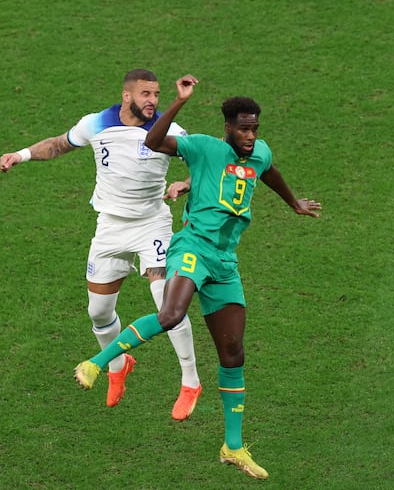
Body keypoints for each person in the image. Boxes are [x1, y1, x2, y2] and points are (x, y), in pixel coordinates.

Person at [73, 74, 322, 480]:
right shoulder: (203, 147)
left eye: (254, 128)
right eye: (243, 128)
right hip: (192, 248)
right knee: (171, 313)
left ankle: (233, 447)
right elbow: (153, 142)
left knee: (233, 353)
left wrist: (294, 202)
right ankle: (98, 363)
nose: (249, 135)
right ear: (228, 127)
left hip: (225, 262)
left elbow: (270, 170)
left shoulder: (258, 153)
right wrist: (179, 101)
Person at [0, 69, 202, 419]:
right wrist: (21, 155)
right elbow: (60, 143)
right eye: (145, 94)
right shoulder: (97, 123)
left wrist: (184, 183)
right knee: (99, 313)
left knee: (166, 301)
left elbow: (205, 164)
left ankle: (190, 381)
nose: (152, 100)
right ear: (127, 96)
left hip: (152, 224)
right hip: (109, 228)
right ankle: (119, 365)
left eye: (155, 94)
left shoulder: (169, 130)